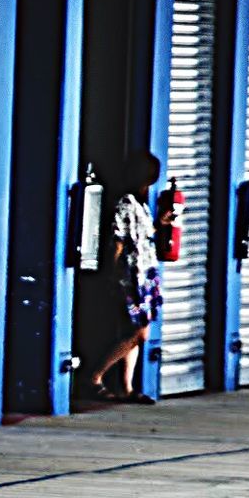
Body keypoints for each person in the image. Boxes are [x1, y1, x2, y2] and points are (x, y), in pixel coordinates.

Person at [88, 150, 171, 404]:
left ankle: (127, 387)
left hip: (145, 275)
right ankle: (95, 377)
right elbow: (119, 241)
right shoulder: (125, 203)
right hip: (131, 276)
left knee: (133, 330)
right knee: (139, 333)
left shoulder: (140, 204)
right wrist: (112, 274)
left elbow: (140, 235)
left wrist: (160, 223)